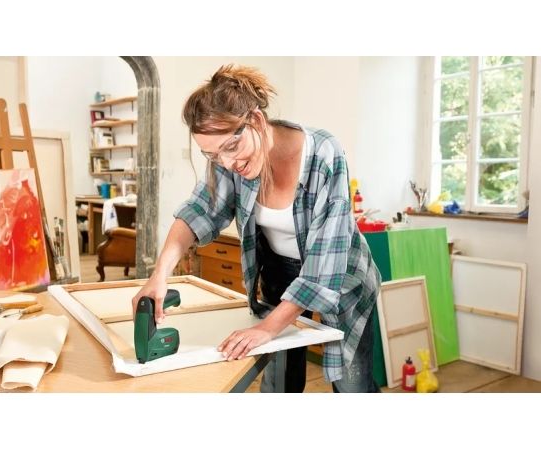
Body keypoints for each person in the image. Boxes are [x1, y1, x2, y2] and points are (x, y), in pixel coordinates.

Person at [132, 64, 381, 393]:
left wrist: (267, 328)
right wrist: (159, 275)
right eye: (212, 155)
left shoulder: (323, 153)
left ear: (257, 121)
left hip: (340, 276)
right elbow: (199, 210)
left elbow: (323, 266)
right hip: (280, 271)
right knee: (278, 384)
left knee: (351, 385)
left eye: (230, 148)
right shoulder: (229, 157)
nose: (226, 163)